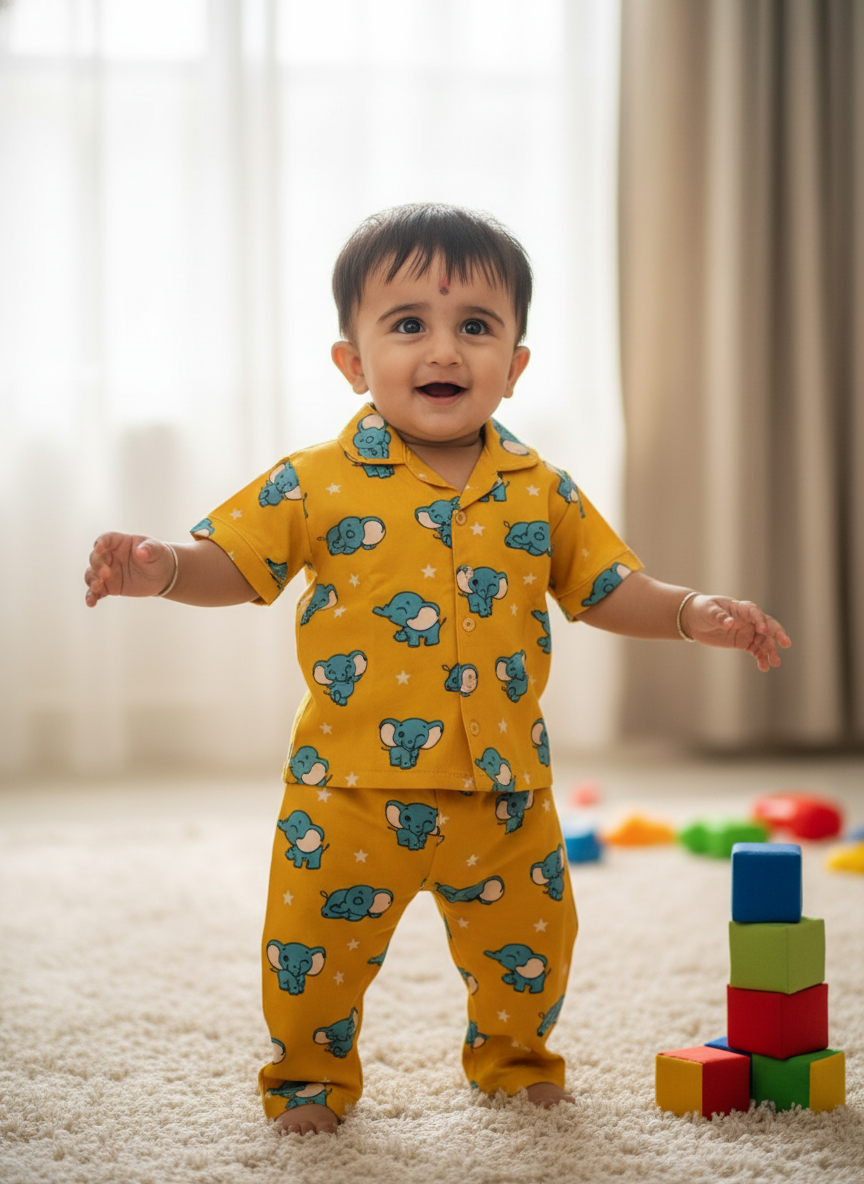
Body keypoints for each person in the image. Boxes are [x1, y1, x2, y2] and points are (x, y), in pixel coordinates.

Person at [83, 203, 791, 1136]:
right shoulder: (314, 480)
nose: (443, 349)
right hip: (346, 790)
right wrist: (164, 568)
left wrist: (697, 615)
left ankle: (514, 1060)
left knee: (530, 948)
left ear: (516, 364)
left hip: (503, 792)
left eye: (476, 327)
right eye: (408, 323)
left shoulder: (541, 488)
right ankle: (308, 1077)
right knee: (312, 950)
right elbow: (239, 567)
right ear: (353, 362)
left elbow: (611, 586)